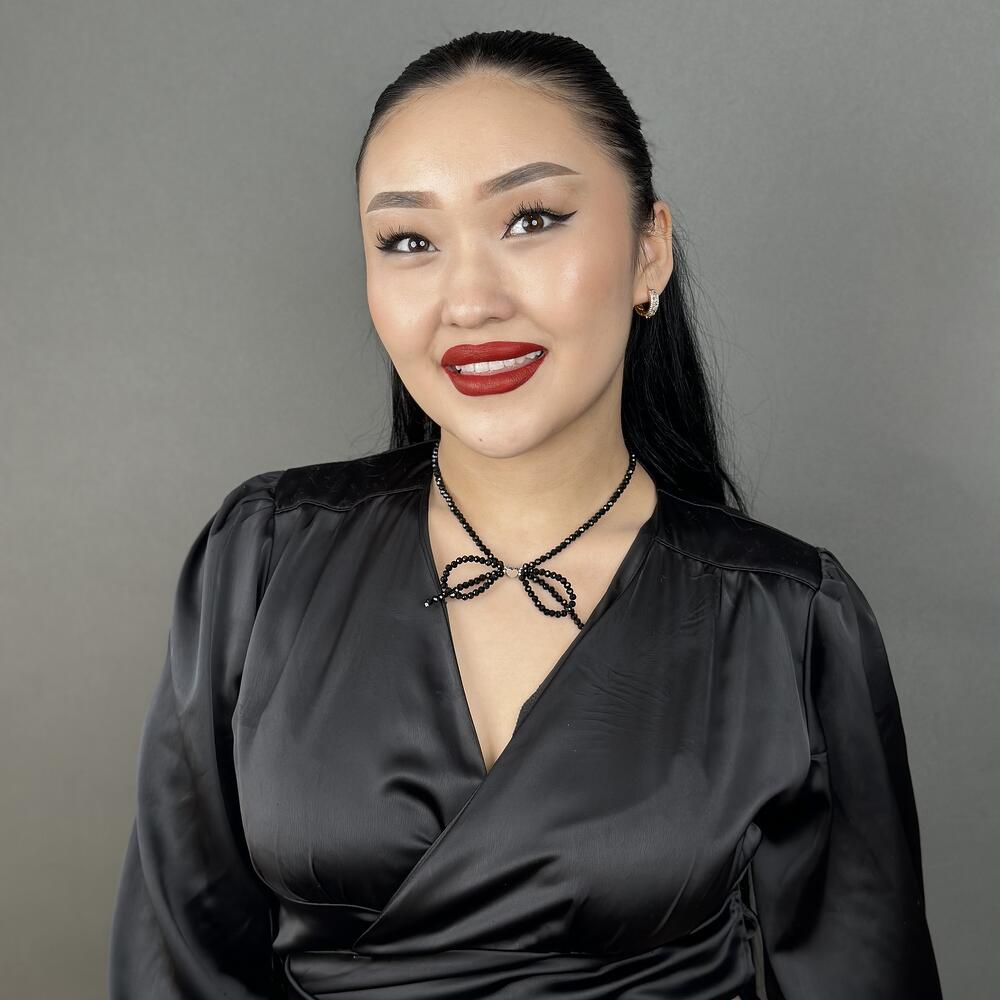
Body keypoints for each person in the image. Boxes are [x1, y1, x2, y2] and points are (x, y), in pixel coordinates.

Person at [108, 28, 943, 1000]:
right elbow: (175, 963)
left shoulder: (787, 616)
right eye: (409, 241)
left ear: (649, 251)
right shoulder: (263, 556)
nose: (468, 301)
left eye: (531, 219)